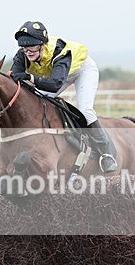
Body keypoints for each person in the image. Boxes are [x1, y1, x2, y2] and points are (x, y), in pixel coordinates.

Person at [9, 20, 118, 173]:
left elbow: (54, 84)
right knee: (38, 103)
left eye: (32, 46)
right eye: (24, 47)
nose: (28, 51)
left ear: (43, 45)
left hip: (81, 71)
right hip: (56, 76)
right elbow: (14, 79)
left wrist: (29, 77)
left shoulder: (59, 51)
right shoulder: (22, 55)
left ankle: (106, 152)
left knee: (85, 110)